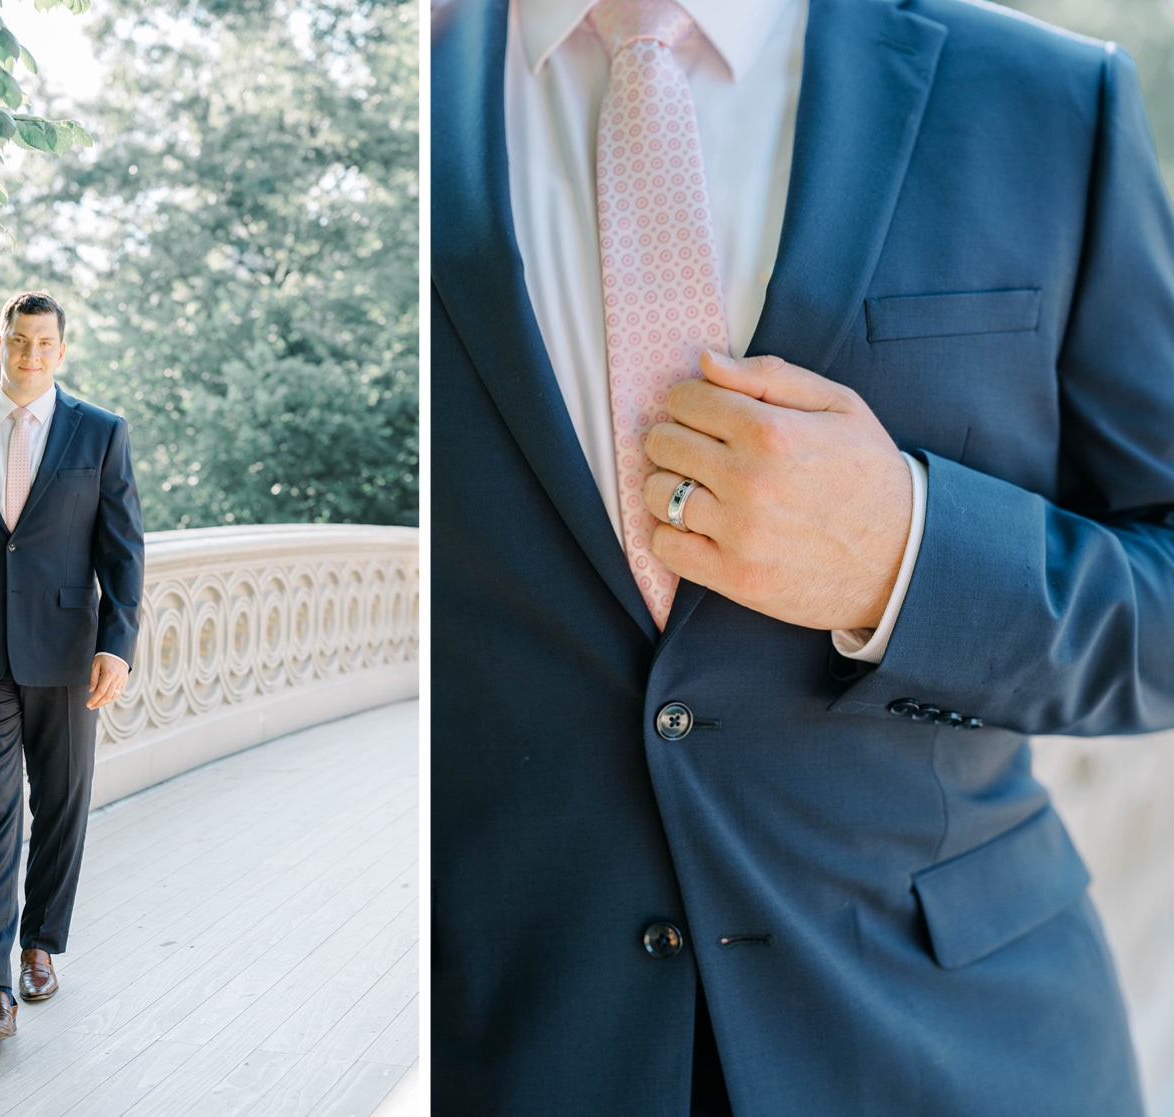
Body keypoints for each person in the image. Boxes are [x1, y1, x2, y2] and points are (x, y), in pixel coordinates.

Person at [432, 0, 1174, 1112]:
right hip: (508, 1046)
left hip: (959, 1050)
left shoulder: (1047, 96)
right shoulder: (403, 86)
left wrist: (908, 557)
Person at [0, 291, 144, 1041]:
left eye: (45, 345)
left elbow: (124, 548)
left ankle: (41, 941)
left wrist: (117, 643)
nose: (31, 356)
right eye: (19, 342)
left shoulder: (100, 433)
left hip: (69, 653)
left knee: (63, 802)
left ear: (61, 351)